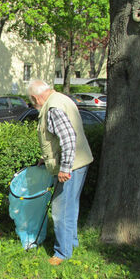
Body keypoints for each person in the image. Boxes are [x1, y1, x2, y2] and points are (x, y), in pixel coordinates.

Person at [27, 79, 93, 266]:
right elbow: (57, 138)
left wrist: (64, 167)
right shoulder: (61, 98)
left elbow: (68, 138)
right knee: (70, 206)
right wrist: (46, 158)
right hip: (79, 162)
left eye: (32, 102)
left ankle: (62, 253)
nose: (34, 105)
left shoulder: (53, 108)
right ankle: (71, 243)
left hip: (70, 166)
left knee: (60, 210)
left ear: (35, 97)